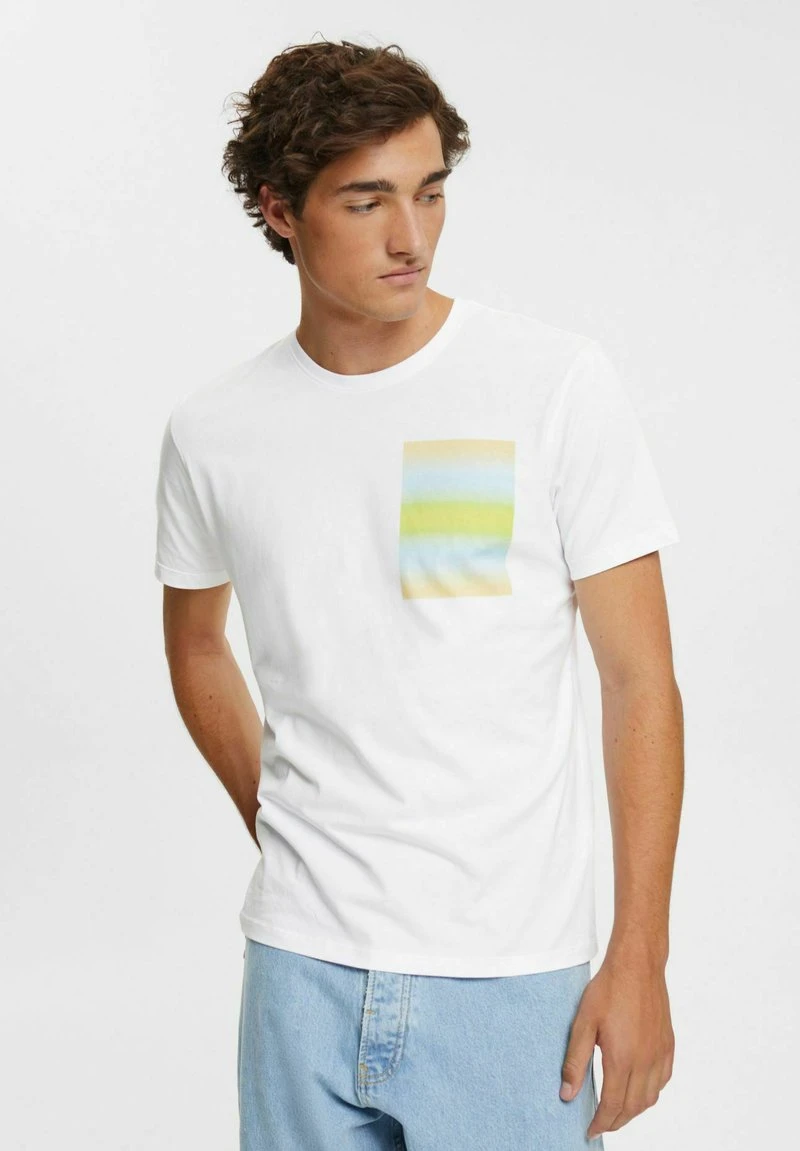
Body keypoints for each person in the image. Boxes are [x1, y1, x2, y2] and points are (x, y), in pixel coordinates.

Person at [154, 37, 683, 1150]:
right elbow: (196, 640)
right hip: (298, 970)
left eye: (430, 191)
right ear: (280, 210)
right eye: (367, 201)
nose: (413, 235)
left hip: (509, 979)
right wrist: (276, 819)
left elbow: (639, 679)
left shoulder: (548, 384)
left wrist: (640, 956)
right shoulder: (214, 431)